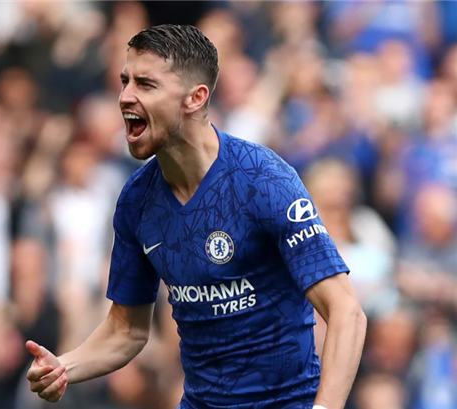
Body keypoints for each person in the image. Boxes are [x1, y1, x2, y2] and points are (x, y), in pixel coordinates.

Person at [25, 24, 367, 409]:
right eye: (125, 82)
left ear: (195, 98)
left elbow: (346, 312)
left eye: (145, 84)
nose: (125, 97)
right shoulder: (137, 201)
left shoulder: (263, 180)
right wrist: (64, 366)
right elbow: (126, 329)